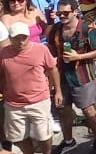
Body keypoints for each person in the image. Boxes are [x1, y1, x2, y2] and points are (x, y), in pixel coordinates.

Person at [49, 0, 96, 154]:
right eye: (59, 13)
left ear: (75, 12)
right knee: (63, 110)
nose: (62, 16)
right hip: (62, 77)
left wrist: (78, 57)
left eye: (66, 13)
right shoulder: (56, 30)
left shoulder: (88, 29)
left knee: (89, 111)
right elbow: (52, 52)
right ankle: (68, 141)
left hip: (83, 77)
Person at [0, 21, 60, 154]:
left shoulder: (41, 49)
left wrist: (58, 92)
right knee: (19, 137)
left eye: (24, 37)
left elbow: (53, 69)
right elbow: (2, 75)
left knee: (44, 135)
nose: (21, 41)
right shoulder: (3, 53)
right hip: (13, 104)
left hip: (39, 100)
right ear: (10, 38)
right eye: (17, 38)